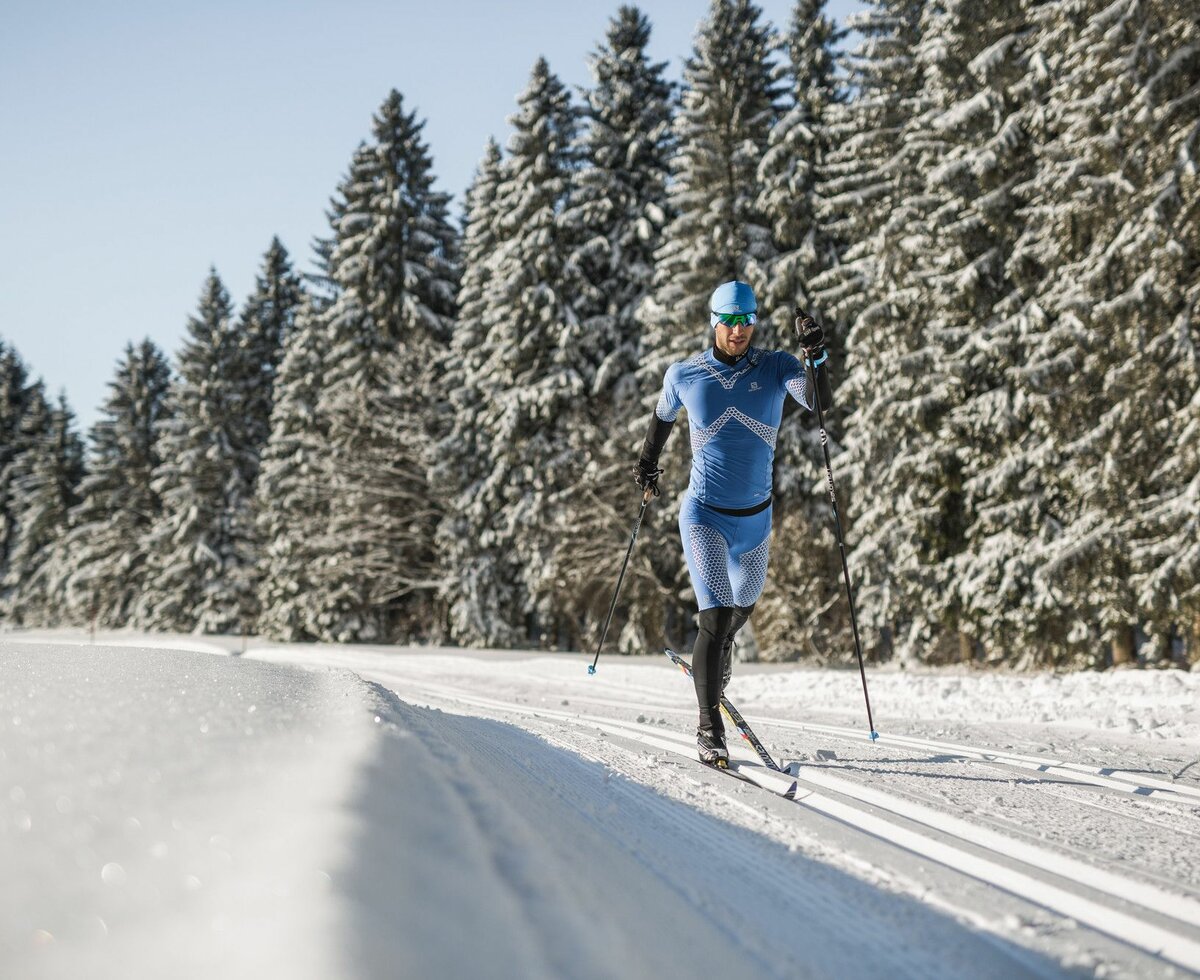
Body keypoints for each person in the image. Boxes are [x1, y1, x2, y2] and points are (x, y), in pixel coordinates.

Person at [634, 280, 831, 766]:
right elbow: (661, 420)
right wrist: (647, 464)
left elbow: (817, 402)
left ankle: (718, 651)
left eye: (747, 321)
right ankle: (708, 728)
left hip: (757, 521)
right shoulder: (685, 374)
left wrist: (816, 357)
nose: (739, 331)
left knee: (742, 606)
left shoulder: (778, 366)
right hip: (704, 516)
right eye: (730, 322)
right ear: (714, 321)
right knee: (716, 615)